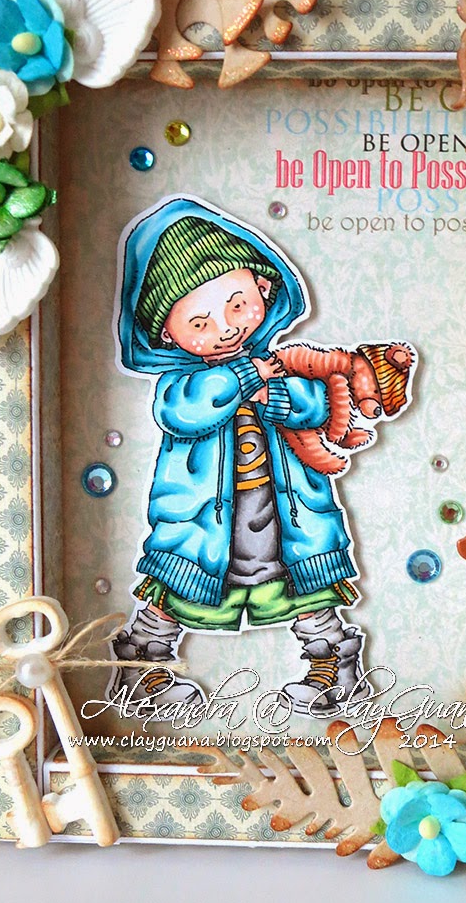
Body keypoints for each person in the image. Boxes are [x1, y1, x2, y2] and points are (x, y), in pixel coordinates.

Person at [110, 195, 370, 717]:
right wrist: (246, 376)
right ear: (166, 333)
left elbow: (317, 405)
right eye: (199, 323)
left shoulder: (279, 363)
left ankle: (333, 669)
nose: (226, 328)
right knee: (179, 589)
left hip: (287, 513)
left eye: (236, 305)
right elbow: (184, 411)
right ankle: (143, 669)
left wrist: (278, 394)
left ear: (263, 289)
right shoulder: (181, 384)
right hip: (204, 524)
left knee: (308, 586)